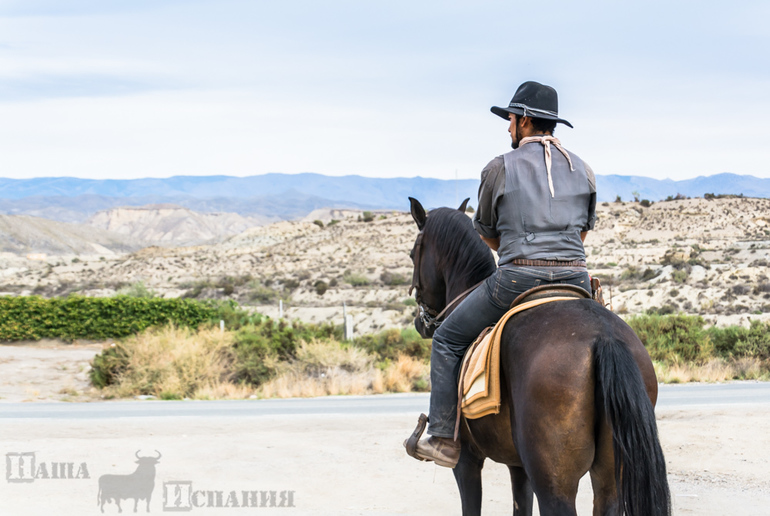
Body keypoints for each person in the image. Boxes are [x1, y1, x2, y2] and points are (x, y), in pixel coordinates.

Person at [406, 81, 597, 468]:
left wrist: (521, 254)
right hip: (577, 279)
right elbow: (583, 233)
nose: (508, 126)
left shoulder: (499, 168)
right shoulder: (584, 169)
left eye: (510, 118)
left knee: (445, 339)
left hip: (516, 281)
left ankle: (443, 437)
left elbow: (487, 233)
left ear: (524, 120)